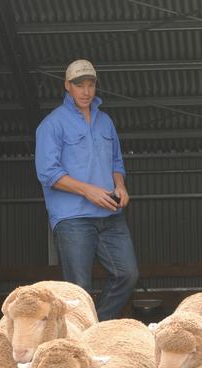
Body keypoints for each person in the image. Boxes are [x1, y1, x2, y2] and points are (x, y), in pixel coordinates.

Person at [35, 59, 138, 320]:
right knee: (79, 288)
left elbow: (116, 162)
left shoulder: (106, 122)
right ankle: (84, 337)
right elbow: (48, 173)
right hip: (73, 217)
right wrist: (88, 191)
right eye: (79, 85)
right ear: (67, 86)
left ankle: (95, 327)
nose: (86, 91)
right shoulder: (52, 124)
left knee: (127, 274)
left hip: (110, 214)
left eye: (90, 85)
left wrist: (120, 185)